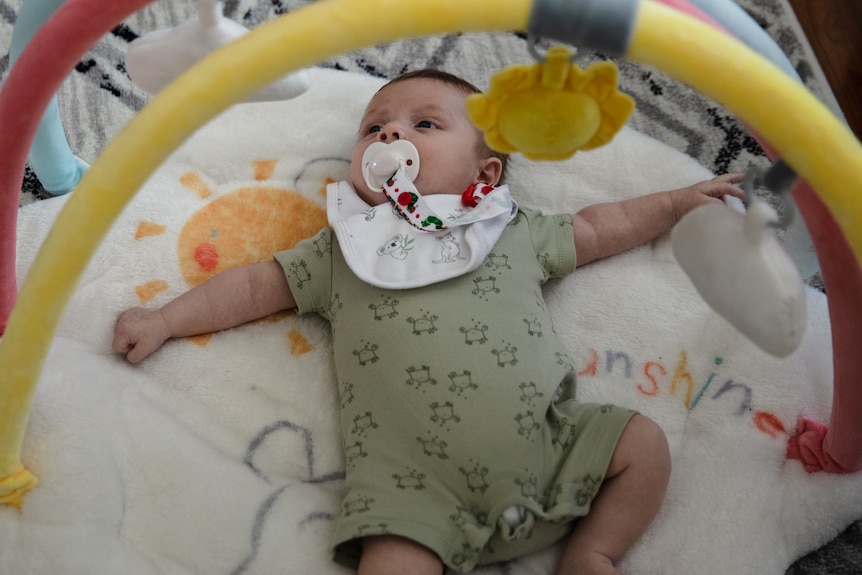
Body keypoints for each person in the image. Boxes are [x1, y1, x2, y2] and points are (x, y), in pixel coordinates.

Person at [113, 69, 745, 575]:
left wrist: (675, 201)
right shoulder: (342, 249)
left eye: (423, 124)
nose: (389, 137)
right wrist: (166, 318)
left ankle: (592, 554)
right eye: (373, 128)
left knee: (643, 446)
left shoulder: (511, 231)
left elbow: (599, 226)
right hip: (410, 492)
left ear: (486, 172)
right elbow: (254, 285)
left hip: (551, 445)